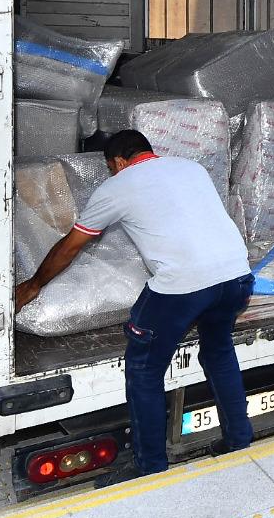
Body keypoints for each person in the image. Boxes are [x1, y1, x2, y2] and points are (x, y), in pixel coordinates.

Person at [14, 129, 255, 484]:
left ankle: (149, 466)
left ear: (118, 162)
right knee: (218, 351)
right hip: (237, 277)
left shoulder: (118, 185)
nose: (114, 174)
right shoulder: (191, 168)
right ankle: (239, 440)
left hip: (182, 287)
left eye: (112, 168)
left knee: (144, 369)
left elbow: (71, 246)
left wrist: (33, 285)